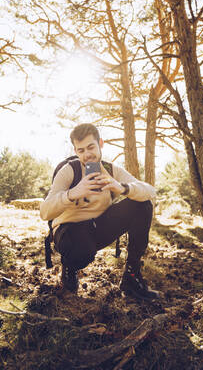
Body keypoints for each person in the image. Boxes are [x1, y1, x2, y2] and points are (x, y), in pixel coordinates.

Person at [40, 123, 160, 300]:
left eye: (91, 147)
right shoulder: (69, 171)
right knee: (82, 251)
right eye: (80, 150)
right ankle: (69, 269)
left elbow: (151, 191)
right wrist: (72, 193)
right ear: (75, 150)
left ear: (100, 143)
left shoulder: (111, 169)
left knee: (142, 205)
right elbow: (45, 212)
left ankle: (131, 277)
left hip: (97, 227)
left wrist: (122, 188)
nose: (87, 155)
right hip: (69, 231)